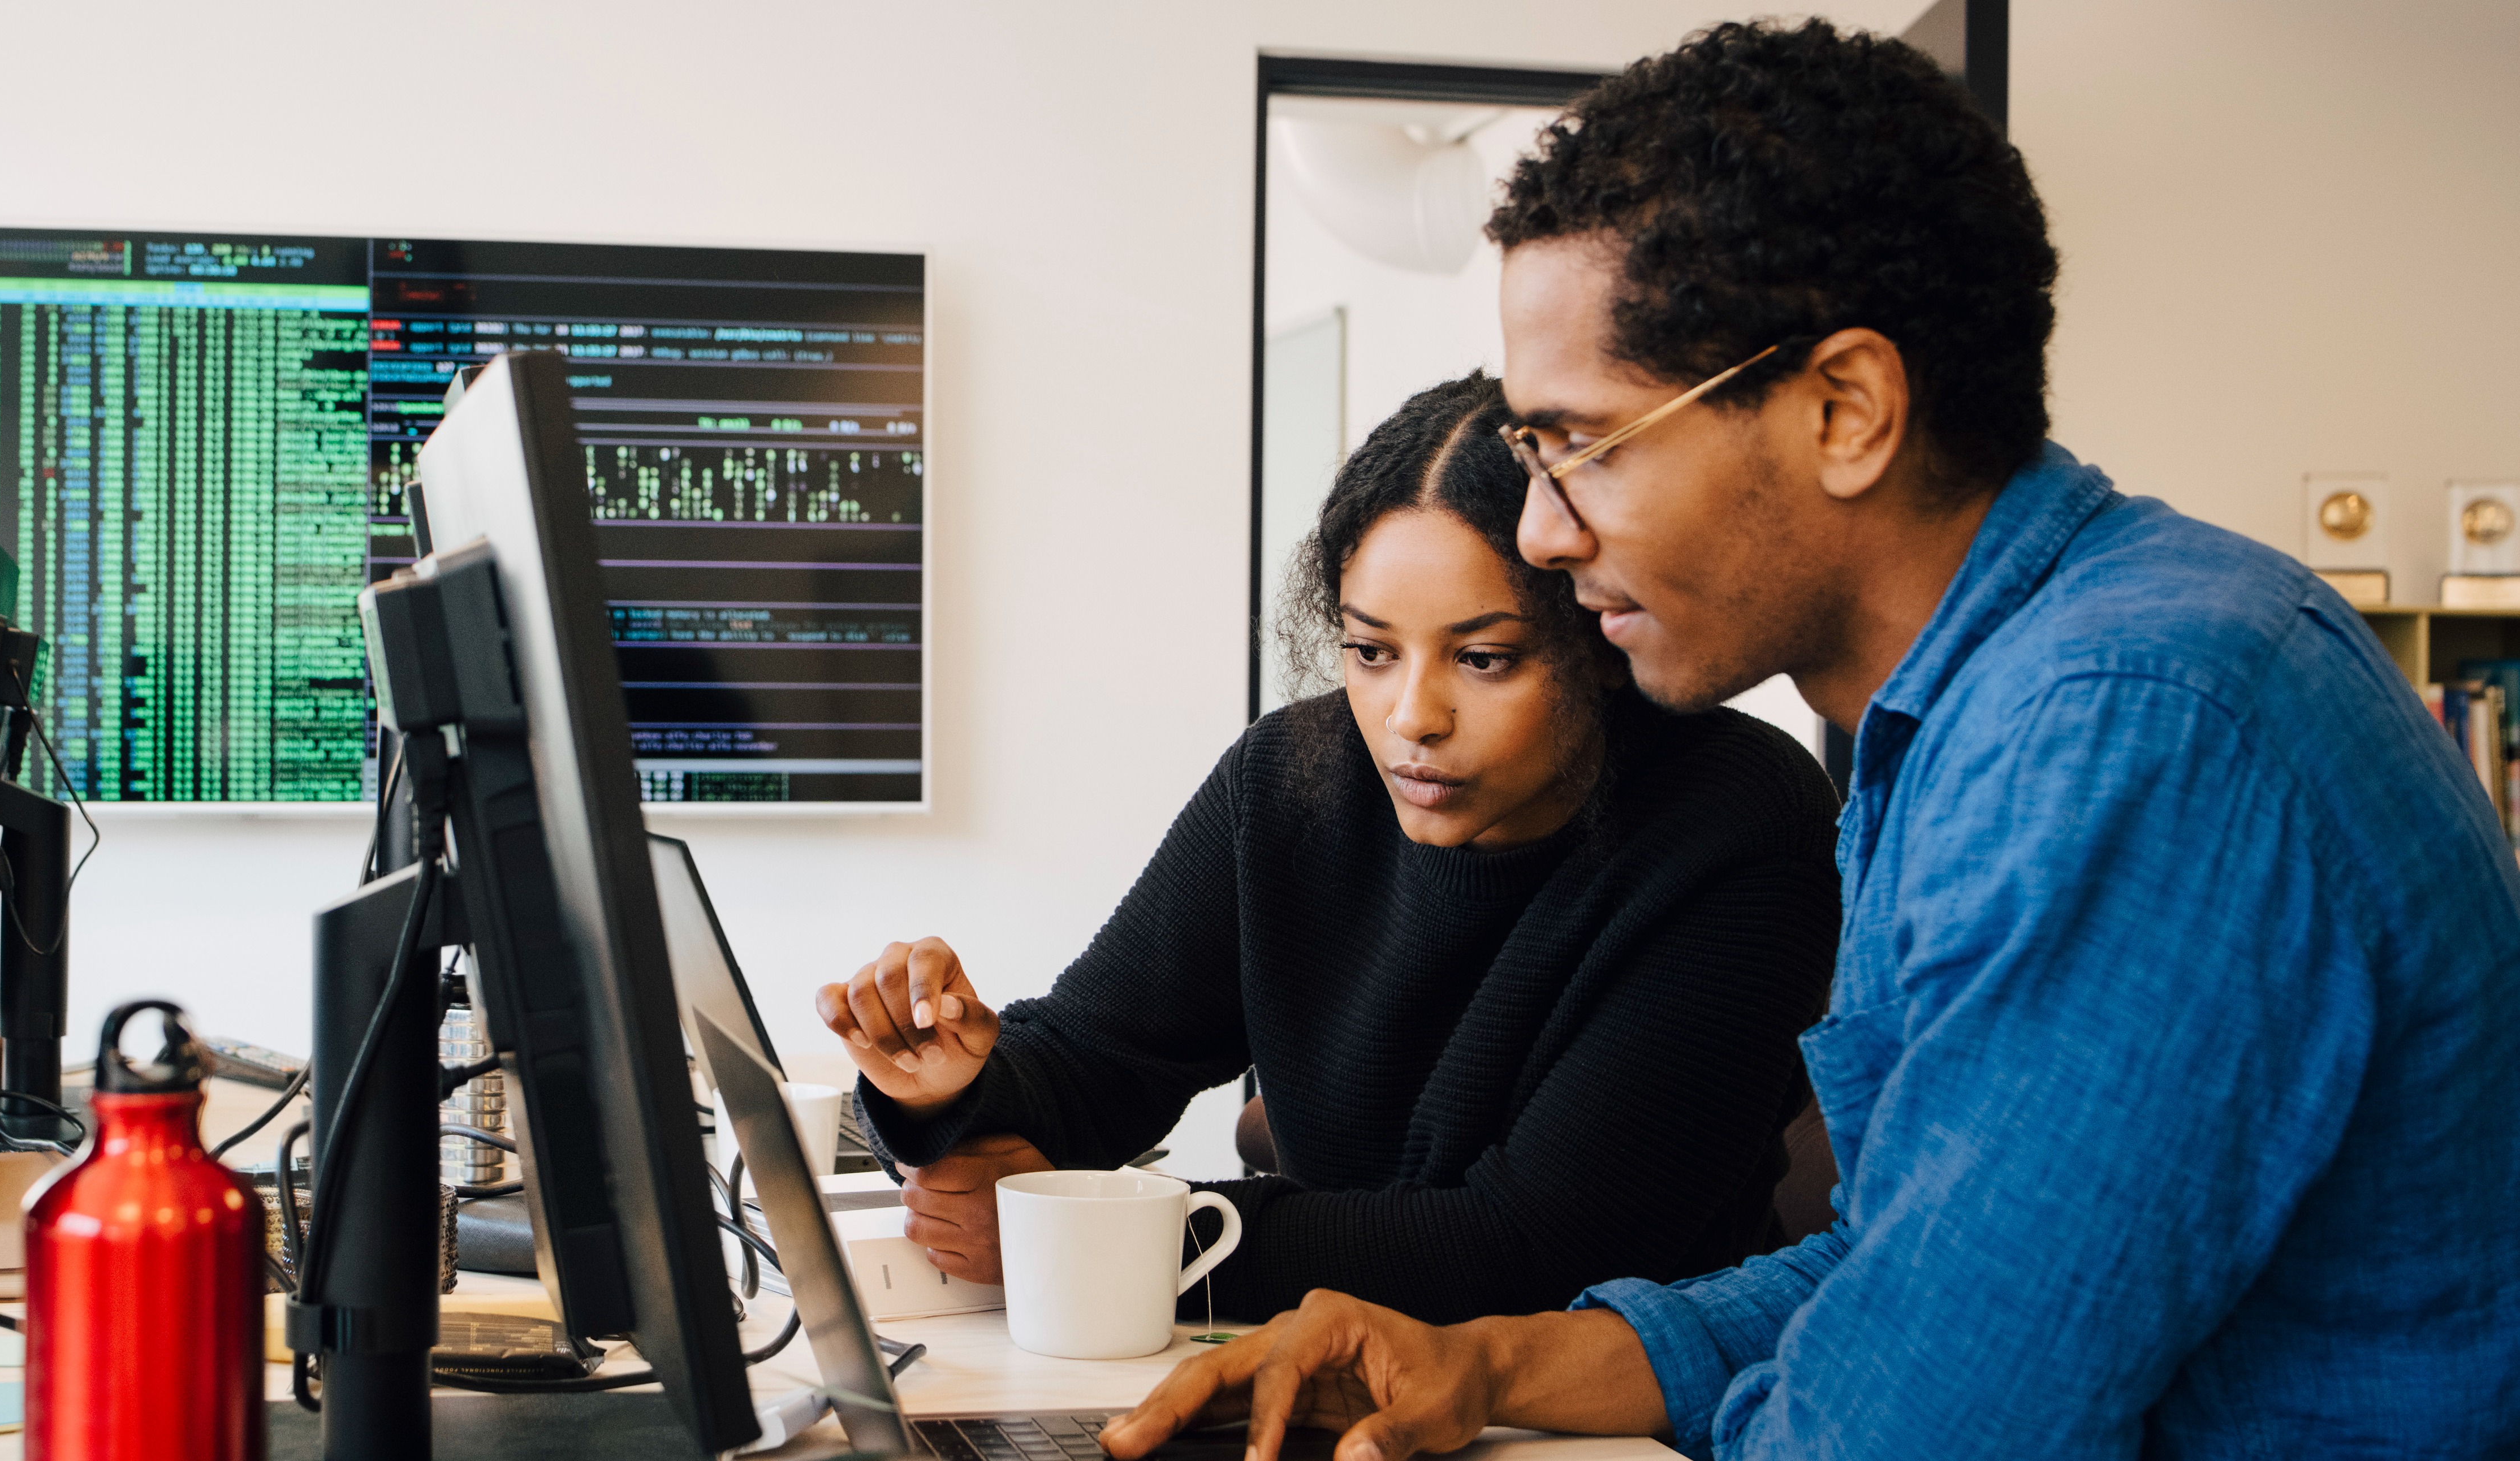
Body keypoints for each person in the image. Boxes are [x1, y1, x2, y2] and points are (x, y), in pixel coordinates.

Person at [1100, 21, 2520, 1461]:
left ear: (1845, 410)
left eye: (1577, 447)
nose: (1538, 532)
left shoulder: (2129, 731)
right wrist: (1487, 1361)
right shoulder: (1958, 716)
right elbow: (1890, 1273)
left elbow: (1922, 1426)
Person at [817, 370, 1844, 1326]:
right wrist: (946, 1088)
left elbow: (1537, 1246)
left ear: (1598, 641)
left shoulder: (1736, 821)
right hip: (1335, 1369)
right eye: (1370, 651)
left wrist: (1111, 1244)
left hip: (1601, 1427)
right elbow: (1100, 1056)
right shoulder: (1293, 780)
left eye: (1483, 659)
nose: (1411, 718)